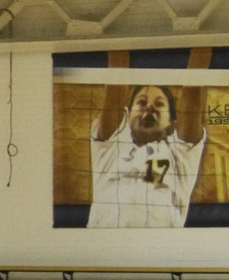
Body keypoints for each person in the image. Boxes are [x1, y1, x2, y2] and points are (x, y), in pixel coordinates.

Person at [88, 46, 211, 227]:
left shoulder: (180, 155)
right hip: (106, 248)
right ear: (127, 116)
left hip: (157, 249)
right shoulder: (110, 146)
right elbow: (117, 76)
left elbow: (192, 93)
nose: (149, 108)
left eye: (159, 104)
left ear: (172, 122)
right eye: (142, 102)